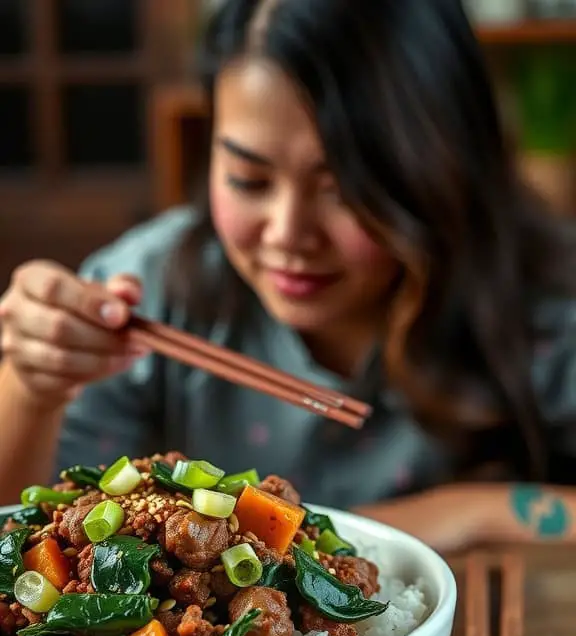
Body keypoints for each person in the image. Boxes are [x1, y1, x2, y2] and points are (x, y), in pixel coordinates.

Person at [0, 0, 575, 554]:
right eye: (249, 178)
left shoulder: (544, 300)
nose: (287, 234)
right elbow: (17, 541)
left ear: (440, 167)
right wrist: (33, 386)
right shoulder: (146, 290)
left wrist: (465, 511)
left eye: (344, 189)